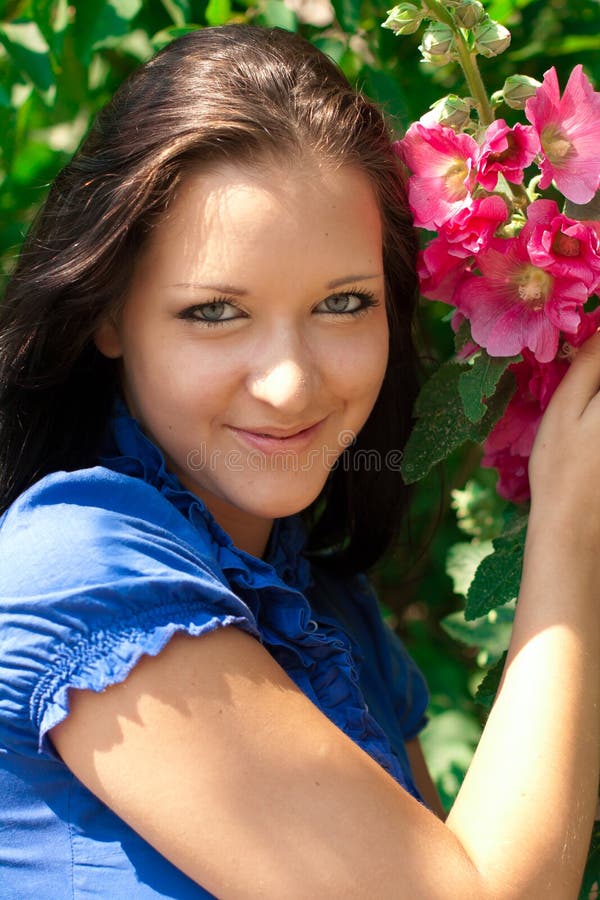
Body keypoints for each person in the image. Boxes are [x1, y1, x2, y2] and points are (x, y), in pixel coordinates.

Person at [0, 23, 597, 900]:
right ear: (109, 314)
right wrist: (570, 524)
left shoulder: (328, 607)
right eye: (215, 312)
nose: (289, 384)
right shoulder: (82, 570)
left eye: (344, 303)